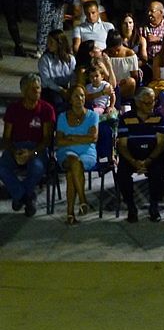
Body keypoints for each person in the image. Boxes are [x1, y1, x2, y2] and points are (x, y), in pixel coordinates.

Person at [0, 74, 55, 217]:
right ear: (24, 91)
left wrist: (32, 153)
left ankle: (19, 195)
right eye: (33, 89)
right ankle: (26, 197)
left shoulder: (47, 109)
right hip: (16, 146)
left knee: (37, 168)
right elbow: (6, 137)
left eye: (38, 88)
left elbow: (47, 138)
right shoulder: (13, 109)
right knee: (1, 167)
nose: (37, 91)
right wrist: (14, 152)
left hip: (37, 148)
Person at [116, 86, 164, 223]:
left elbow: (161, 143)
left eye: (153, 101)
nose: (152, 105)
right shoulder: (126, 118)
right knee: (122, 174)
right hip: (131, 155)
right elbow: (122, 145)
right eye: (147, 103)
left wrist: (148, 160)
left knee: (158, 172)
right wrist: (133, 161)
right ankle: (131, 207)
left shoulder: (160, 117)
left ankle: (154, 206)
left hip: (153, 155)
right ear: (138, 103)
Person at [55, 85, 99, 225]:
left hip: (87, 153)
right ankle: (82, 199)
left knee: (71, 172)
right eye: (76, 96)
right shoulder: (62, 117)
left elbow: (93, 138)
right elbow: (59, 141)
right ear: (70, 99)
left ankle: (70, 214)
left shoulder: (93, 115)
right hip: (65, 153)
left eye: (82, 95)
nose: (80, 99)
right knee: (73, 161)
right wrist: (82, 138)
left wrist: (71, 137)